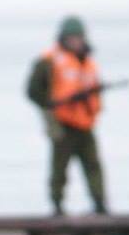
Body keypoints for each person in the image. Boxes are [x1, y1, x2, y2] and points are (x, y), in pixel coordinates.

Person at [26, 15, 108, 215]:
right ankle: (57, 205)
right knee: (59, 167)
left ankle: (100, 204)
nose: (76, 41)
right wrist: (49, 107)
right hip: (62, 123)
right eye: (72, 37)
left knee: (93, 164)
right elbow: (33, 91)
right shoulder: (48, 61)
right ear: (63, 38)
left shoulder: (88, 61)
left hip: (86, 122)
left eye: (78, 37)